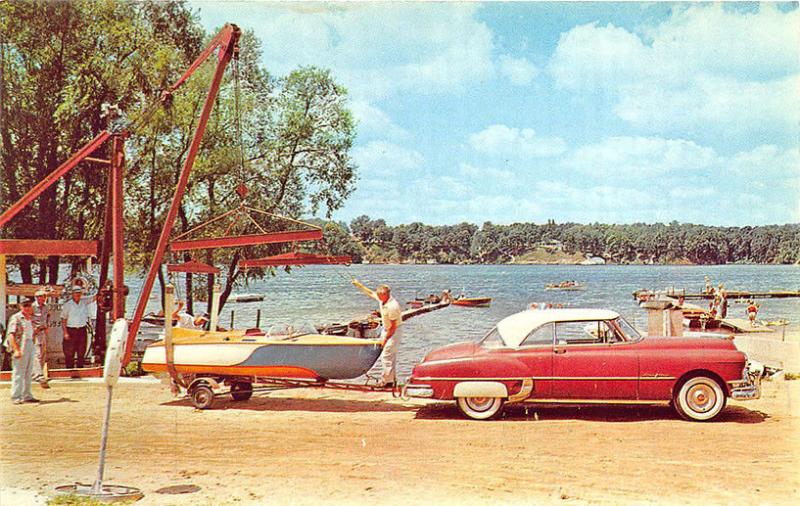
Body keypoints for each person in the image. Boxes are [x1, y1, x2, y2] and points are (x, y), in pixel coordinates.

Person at [352, 280, 403, 387]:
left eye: (380, 295)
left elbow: (393, 327)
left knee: (386, 356)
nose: (378, 297)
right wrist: (359, 285)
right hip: (386, 328)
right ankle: (391, 380)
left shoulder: (392, 306)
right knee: (389, 356)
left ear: (385, 295)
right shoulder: (382, 300)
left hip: (394, 330)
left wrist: (385, 339)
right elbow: (370, 293)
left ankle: (387, 382)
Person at [5, 298, 39, 404]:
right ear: (20, 306)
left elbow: (31, 333)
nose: (27, 307)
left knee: (28, 371)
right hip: (20, 345)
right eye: (25, 305)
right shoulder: (16, 318)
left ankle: (27, 395)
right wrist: (16, 350)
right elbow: (11, 335)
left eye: (29, 305)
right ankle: (16, 396)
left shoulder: (31, 318)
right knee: (19, 371)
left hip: (29, 344)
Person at [61, 285, 95, 371]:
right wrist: (65, 332)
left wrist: (105, 287)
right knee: (69, 352)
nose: (78, 295)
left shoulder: (84, 302)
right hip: (71, 330)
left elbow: (95, 297)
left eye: (79, 293)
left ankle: (80, 370)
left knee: (81, 351)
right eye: (76, 293)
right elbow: (63, 319)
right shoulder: (68, 305)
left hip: (82, 330)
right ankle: (69, 371)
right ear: (72, 294)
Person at [31, 289, 51, 388]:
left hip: (43, 331)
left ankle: (38, 374)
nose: (42, 298)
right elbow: (28, 318)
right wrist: (33, 329)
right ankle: (38, 375)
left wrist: (47, 326)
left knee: (43, 353)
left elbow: (48, 316)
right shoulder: (32, 307)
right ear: (37, 297)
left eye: (44, 297)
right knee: (37, 354)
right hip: (35, 332)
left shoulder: (46, 307)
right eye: (40, 297)